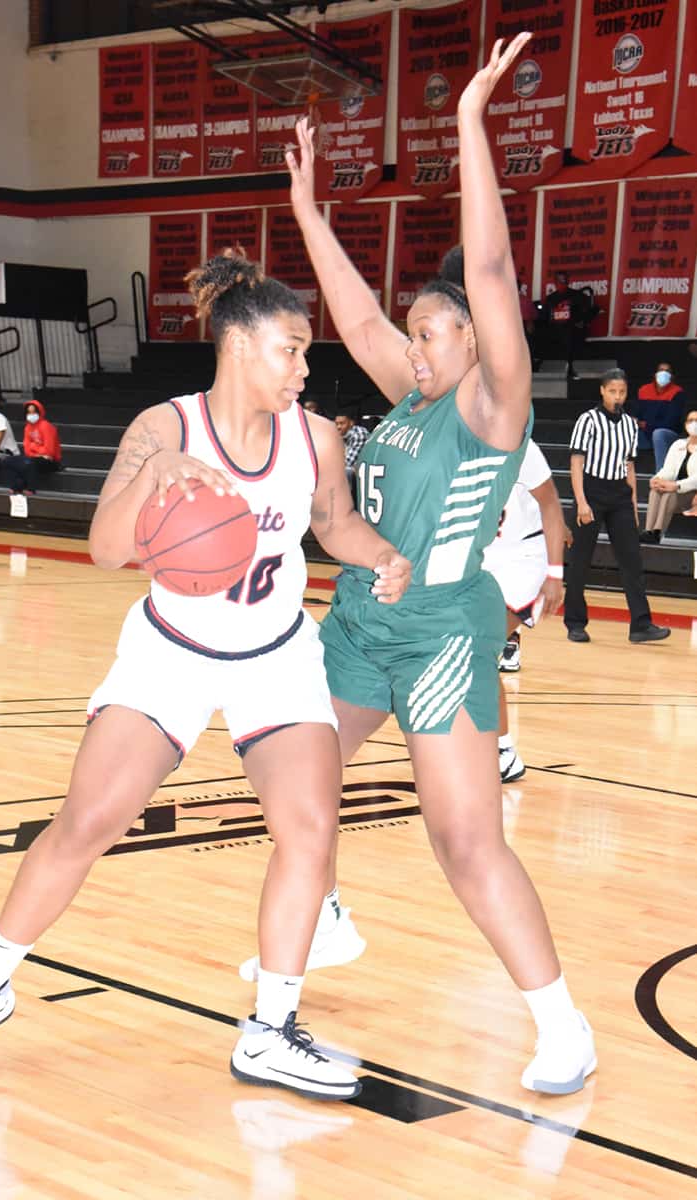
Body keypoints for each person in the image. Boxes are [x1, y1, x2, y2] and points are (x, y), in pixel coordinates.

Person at [0, 249, 412, 1102]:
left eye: (305, 352)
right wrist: (155, 476)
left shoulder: (316, 436)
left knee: (310, 831)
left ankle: (271, 1031)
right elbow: (106, 551)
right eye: (290, 348)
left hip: (277, 651)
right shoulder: (164, 428)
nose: (303, 366)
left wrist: (382, 556)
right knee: (87, 821)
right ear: (240, 346)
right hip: (170, 649)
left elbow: (335, 525)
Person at [267, 34, 596, 1096]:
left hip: (443, 630)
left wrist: (466, 128)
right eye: (411, 333)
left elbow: (490, 269)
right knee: (284, 769)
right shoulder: (409, 396)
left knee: (463, 842)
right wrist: (312, 213)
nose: (410, 344)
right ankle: (318, 917)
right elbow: (355, 314)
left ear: (474, 340)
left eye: (431, 330)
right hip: (358, 617)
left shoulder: (494, 411)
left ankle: (559, 1025)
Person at [565, 368, 670, 644]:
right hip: (592, 489)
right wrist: (581, 502)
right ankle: (575, 622)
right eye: (612, 391)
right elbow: (576, 462)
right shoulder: (587, 420)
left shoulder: (629, 424)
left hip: (620, 495)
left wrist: (633, 505)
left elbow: (630, 466)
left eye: (622, 391)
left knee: (632, 560)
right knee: (580, 560)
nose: (617, 396)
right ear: (602, 391)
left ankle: (641, 625)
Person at [482, 440, 567, 782]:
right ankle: (481, 743)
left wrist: (555, 574)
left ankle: (504, 751)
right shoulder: (456, 439)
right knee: (463, 653)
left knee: (478, 651)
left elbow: (550, 504)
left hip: (523, 560)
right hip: (483, 559)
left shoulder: (520, 445)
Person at [640, 409, 697, 543]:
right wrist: (657, 479)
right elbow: (668, 470)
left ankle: (658, 532)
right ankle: (648, 531)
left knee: (669, 493)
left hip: (692, 494)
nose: (693, 424)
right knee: (656, 490)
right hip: (676, 491)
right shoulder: (678, 445)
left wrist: (676, 485)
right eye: (690, 420)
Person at [0, 400, 62, 495]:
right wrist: (37, 450)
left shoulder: (46, 426)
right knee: (7, 461)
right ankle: (17, 485)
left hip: (51, 461)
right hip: (35, 458)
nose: (31, 415)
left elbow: (49, 451)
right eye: (29, 412)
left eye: (34, 412)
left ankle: (31, 489)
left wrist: (33, 447)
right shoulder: (27, 428)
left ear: (40, 412)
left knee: (30, 463)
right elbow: (27, 449)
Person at [634, 362, 687, 471]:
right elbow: (636, 414)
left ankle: (661, 477)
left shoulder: (677, 392)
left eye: (667, 371)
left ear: (672, 376)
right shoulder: (644, 390)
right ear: (655, 374)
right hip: (645, 435)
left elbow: (670, 423)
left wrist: (646, 424)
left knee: (658, 433)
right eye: (661, 370)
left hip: (667, 435)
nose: (663, 373)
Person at [539, 272, 591, 377]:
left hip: (571, 330)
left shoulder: (577, 296)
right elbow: (545, 316)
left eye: (564, 280)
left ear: (568, 281)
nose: (562, 283)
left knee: (570, 337)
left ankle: (571, 369)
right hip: (555, 330)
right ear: (555, 282)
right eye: (559, 280)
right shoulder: (550, 299)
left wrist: (581, 321)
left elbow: (586, 311)